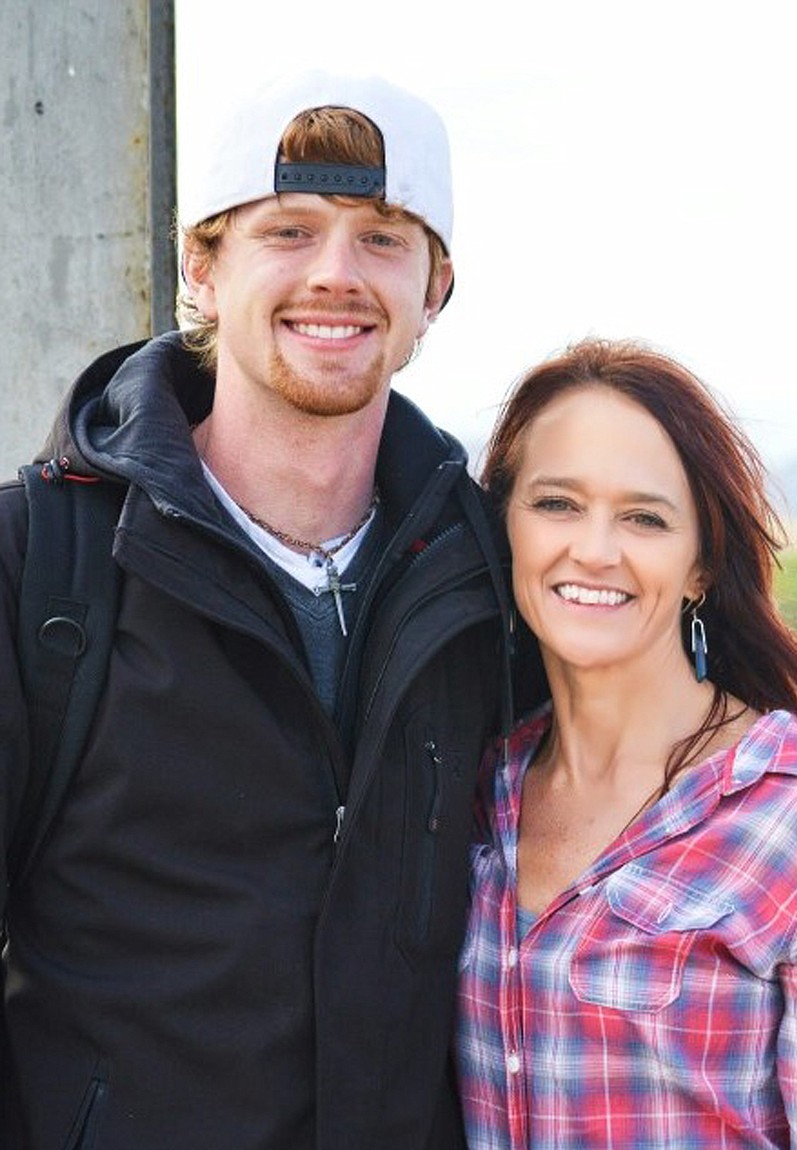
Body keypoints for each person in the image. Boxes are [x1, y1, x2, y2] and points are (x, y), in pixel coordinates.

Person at [0, 70, 516, 1149]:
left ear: (437, 289)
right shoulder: (35, 560)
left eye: (383, 237)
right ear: (203, 265)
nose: (337, 275)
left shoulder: (485, 583)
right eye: (289, 231)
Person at [456, 338, 797, 1149]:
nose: (595, 549)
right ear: (506, 526)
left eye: (644, 518)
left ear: (700, 568)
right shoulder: (475, 793)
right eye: (557, 504)